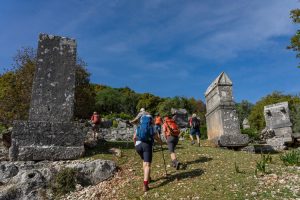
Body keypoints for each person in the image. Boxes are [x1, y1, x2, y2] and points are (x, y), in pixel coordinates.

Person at [130, 108, 162, 192]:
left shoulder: (139, 126)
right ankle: (145, 185)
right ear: (151, 120)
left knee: (144, 161)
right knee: (147, 165)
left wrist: (135, 145)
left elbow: (134, 137)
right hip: (147, 145)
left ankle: (148, 177)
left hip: (138, 146)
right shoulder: (152, 127)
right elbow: (156, 137)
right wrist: (161, 142)